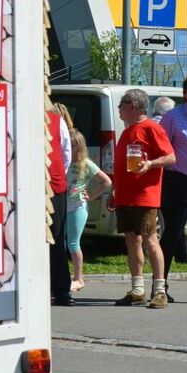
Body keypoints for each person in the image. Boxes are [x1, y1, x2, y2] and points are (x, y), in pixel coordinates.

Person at [106, 88, 175, 308]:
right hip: (125, 195)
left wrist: (150, 164)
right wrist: (114, 190)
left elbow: (170, 157)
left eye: (121, 105)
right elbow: (120, 167)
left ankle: (160, 291)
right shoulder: (127, 131)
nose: (119, 109)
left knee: (150, 240)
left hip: (144, 196)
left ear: (132, 106)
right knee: (131, 239)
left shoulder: (152, 128)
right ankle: (137, 290)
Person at [158, 73, 187, 300]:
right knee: (172, 235)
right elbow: (160, 149)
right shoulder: (172, 118)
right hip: (180, 183)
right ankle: (160, 287)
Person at [66, 129, 111, 290]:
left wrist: (92, 196)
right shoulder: (64, 160)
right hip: (62, 207)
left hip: (77, 208)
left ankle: (79, 279)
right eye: (67, 144)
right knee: (60, 244)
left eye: (72, 145)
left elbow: (106, 181)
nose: (69, 148)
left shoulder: (86, 164)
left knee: (73, 243)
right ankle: (62, 277)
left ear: (79, 147)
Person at [47, 104, 72, 304]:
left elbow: (66, 154)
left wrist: (57, 175)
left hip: (54, 187)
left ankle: (61, 289)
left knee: (56, 238)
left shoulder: (56, 121)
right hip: (35, 187)